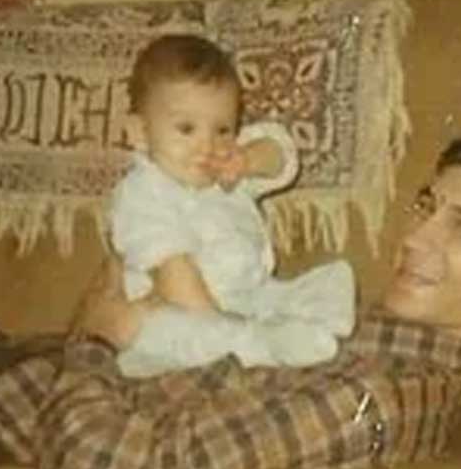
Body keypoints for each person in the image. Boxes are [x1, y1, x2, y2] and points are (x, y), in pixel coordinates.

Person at [0, 129, 461, 469]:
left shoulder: (377, 397)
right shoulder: (369, 329)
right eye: (427, 207)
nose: (415, 238)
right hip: (6, 356)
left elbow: (98, 465)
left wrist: (93, 340)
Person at [106, 34, 355, 377]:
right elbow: (174, 274)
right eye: (186, 128)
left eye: (222, 129)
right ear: (139, 132)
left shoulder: (226, 175)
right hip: (182, 309)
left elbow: (283, 156)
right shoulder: (144, 192)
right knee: (177, 332)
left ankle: (278, 339)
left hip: (249, 300)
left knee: (326, 286)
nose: (207, 144)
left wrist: (247, 159)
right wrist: (222, 325)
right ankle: (263, 347)